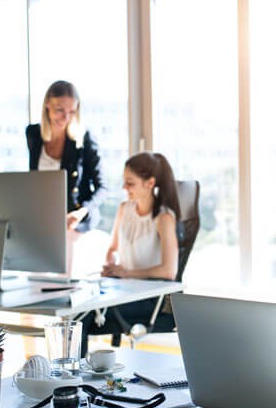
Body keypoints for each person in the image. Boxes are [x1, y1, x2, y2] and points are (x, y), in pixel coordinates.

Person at [81, 152, 181, 354]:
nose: (124, 188)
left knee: (82, 317)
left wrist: (125, 273)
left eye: (130, 183)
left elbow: (169, 271)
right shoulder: (124, 209)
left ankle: (71, 378)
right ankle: (71, 375)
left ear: (150, 183)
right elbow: (112, 249)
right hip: (121, 292)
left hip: (149, 299)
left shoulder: (163, 218)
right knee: (76, 309)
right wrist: (110, 266)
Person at [26, 80, 108, 234]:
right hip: (43, 216)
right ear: (47, 105)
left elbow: (102, 187)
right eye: (59, 110)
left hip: (75, 220)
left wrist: (82, 211)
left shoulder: (84, 139)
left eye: (72, 112)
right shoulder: (33, 134)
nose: (65, 117)